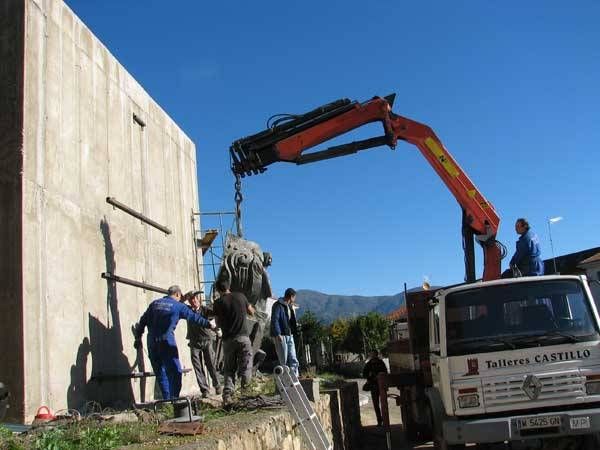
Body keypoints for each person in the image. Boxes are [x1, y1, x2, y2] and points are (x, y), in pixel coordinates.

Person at [134, 285, 214, 400]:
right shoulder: (178, 306)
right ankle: (174, 400)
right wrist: (209, 324)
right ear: (177, 294)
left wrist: (138, 337)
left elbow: (142, 321)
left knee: (160, 373)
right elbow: (194, 318)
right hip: (166, 342)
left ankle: (167, 400)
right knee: (176, 372)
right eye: (180, 296)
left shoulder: (154, 304)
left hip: (151, 341)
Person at [212, 279, 255, 404]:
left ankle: (228, 396)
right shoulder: (241, 296)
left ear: (218, 290)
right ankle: (246, 394)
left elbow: (217, 323)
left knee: (229, 368)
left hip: (228, 340)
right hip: (243, 337)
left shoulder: (218, 303)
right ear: (228, 286)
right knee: (246, 366)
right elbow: (251, 312)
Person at [185, 290, 222, 398]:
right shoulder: (187, 311)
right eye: (192, 299)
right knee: (197, 366)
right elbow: (179, 305)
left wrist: (218, 327)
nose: (194, 301)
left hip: (206, 340)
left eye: (196, 299)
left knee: (210, 364)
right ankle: (204, 389)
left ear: (199, 300)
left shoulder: (205, 310)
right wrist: (185, 297)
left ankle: (217, 385)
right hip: (194, 342)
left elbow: (216, 312)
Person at [270, 288, 299, 377]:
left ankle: (295, 376)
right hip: (281, 335)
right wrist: (277, 333)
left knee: (293, 357)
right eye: (294, 297)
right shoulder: (278, 305)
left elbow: (290, 320)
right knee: (284, 359)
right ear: (291, 297)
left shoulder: (289, 306)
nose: (294, 300)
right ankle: (284, 378)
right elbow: (275, 319)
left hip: (289, 334)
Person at [362, 350, 388, 427]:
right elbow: (364, 374)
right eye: (371, 354)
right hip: (374, 386)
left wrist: (378, 376)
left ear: (376, 355)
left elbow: (385, 373)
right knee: (377, 405)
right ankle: (380, 421)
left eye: (373, 354)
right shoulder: (369, 364)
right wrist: (370, 376)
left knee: (383, 405)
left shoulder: (380, 363)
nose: (372, 356)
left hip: (381, 386)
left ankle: (384, 421)